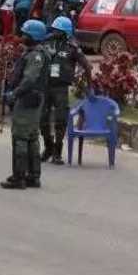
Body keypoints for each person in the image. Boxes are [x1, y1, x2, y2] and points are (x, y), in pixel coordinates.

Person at [1, 19, 51, 190]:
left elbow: (29, 79)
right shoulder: (34, 53)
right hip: (32, 99)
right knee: (31, 137)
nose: (23, 37)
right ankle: (33, 176)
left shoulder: (36, 56)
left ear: (33, 36)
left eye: (26, 34)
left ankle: (19, 177)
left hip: (28, 99)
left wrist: (14, 94)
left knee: (21, 137)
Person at [40, 17, 92, 165]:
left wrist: (89, 86)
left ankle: (57, 152)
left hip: (61, 88)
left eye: (57, 30)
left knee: (60, 120)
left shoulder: (72, 47)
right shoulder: (46, 41)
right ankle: (48, 147)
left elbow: (87, 66)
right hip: (45, 86)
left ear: (65, 32)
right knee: (42, 119)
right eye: (54, 28)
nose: (54, 31)